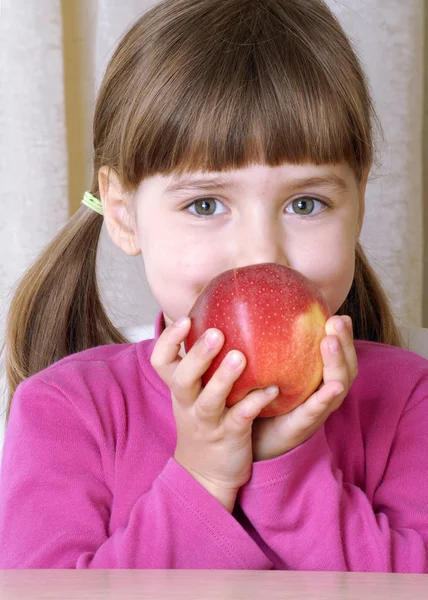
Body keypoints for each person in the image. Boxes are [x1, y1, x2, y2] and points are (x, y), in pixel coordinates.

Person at [0, 0, 427, 572]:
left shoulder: (408, 402)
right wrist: (202, 479)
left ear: (359, 202)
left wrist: (290, 465)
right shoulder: (64, 413)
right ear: (123, 213)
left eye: (306, 203)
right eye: (205, 204)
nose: (260, 253)